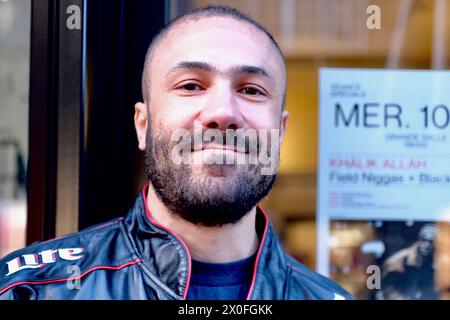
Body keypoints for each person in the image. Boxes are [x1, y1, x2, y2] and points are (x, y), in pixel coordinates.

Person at [0, 5, 353, 300]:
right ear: (143, 124)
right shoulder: (30, 290)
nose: (223, 113)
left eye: (251, 90)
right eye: (190, 86)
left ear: (281, 132)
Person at [381, 224, 439, 300]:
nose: (426, 245)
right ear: (419, 239)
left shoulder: (440, 262)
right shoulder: (399, 260)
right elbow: (386, 287)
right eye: (424, 240)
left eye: (431, 241)